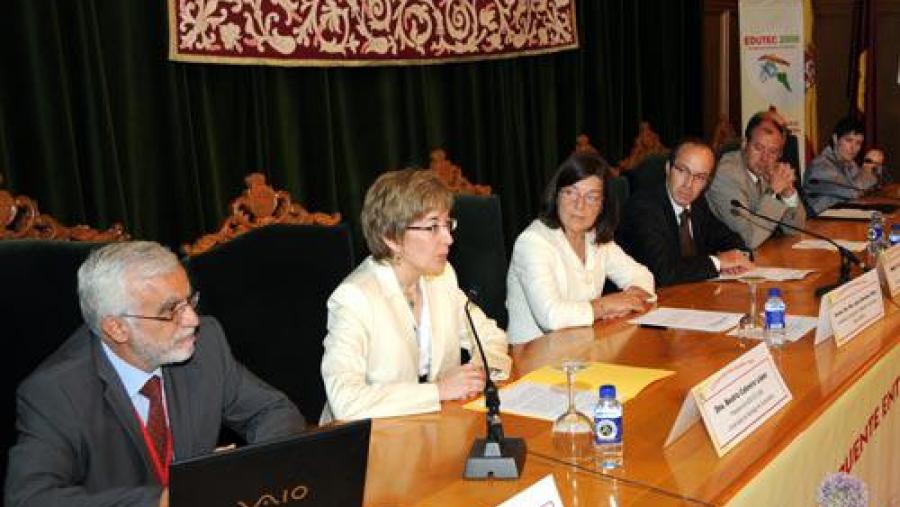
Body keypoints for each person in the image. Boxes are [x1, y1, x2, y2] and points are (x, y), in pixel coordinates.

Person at [5, 241, 306, 507]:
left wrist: (238, 472)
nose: (192, 320)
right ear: (117, 328)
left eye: (189, 301)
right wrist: (164, 500)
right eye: (170, 311)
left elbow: (273, 411)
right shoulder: (56, 392)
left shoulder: (206, 345)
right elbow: (29, 498)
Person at [320, 169, 511, 422]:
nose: (449, 239)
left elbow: (489, 335)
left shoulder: (442, 277)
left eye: (447, 224)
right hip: (366, 444)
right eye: (433, 227)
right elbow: (345, 400)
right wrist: (438, 391)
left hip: (431, 428)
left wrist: (477, 373)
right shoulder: (354, 298)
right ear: (392, 238)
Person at [506, 153, 655, 345]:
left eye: (592, 197)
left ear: (602, 205)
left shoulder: (595, 236)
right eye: (571, 193)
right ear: (556, 195)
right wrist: (605, 306)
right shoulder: (533, 242)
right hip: (535, 360)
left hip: (584, 350)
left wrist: (628, 301)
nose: (580, 205)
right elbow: (551, 317)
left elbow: (643, 276)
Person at [619, 140, 753, 286]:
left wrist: (740, 257)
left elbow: (727, 237)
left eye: (700, 177)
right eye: (682, 170)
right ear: (668, 168)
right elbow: (663, 272)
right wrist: (718, 263)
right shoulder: (643, 207)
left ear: (707, 183)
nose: (688, 184)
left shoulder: (697, 203)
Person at [706, 111, 807, 249]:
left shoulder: (771, 170)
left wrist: (788, 193)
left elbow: (796, 229)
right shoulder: (727, 174)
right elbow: (749, 239)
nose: (765, 158)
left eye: (772, 152)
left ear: (780, 154)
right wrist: (773, 191)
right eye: (758, 148)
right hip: (726, 260)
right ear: (745, 144)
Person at [802, 116, 878, 215]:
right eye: (848, 140)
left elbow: (871, 185)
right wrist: (867, 169)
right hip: (816, 222)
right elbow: (854, 191)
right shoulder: (820, 166)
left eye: (858, 143)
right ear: (835, 138)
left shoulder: (848, 163)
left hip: (839, 216)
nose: (853, 148)